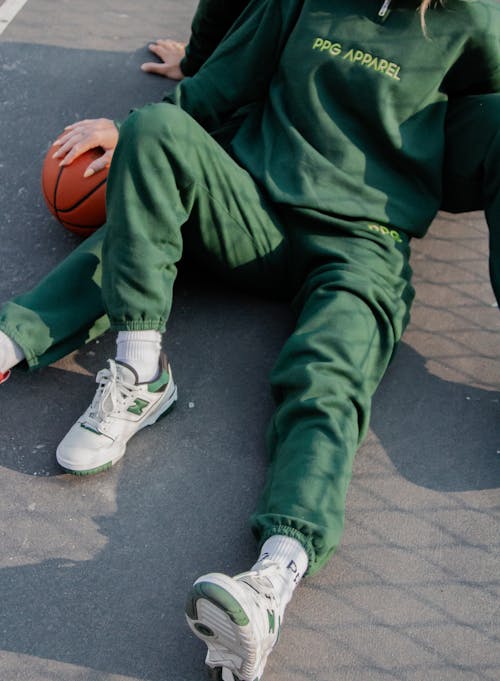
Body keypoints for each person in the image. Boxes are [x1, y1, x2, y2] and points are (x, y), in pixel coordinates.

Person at [1, 1, 499, 680]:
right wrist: (172, 86)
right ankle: (126, 369)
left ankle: (270, 581)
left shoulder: (474, 18)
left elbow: (482, 118)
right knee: (154, 133)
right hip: (253, 204)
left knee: (327, 383)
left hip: (363, 244)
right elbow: (224, 78)